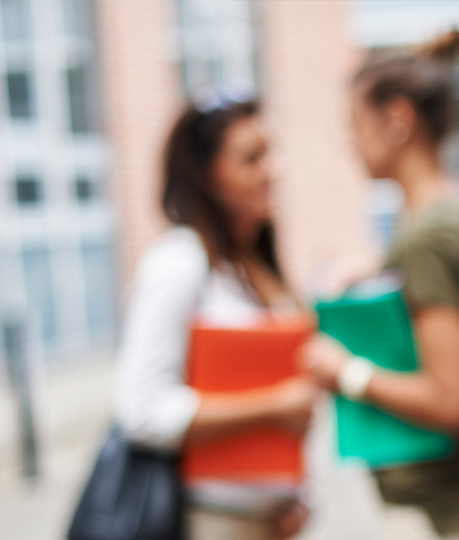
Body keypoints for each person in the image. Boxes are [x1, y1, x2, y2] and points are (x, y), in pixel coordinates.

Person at [301, 30, 459, 540]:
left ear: (398, 119)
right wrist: (377, 265)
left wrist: (345, 373)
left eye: (355, 125)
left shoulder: (427, 237)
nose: (350, 143)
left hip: (457, 512)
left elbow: (453, 400)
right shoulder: (454, 208)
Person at [115, 93, 316, 540]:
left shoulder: (255, 266)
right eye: (251, 158)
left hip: (273, 522)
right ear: (207, 175)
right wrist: (274, 406)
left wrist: (300, 495)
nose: (273, 170)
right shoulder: (178, 263)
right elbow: (143, 412)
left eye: (271, 152)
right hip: (210, 522)